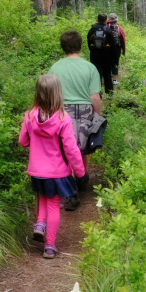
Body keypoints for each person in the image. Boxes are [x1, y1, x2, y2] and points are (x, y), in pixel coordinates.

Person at [19, 74, 88, 259]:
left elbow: (22, 141)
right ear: (58, 94)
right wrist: (81, 173)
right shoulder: (63, 119)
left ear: (37, 93)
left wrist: (35, 142)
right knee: (54, 204)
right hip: (57, 171)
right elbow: (71, 149)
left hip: (37, 170)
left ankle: (40, 224)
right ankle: (49, 246)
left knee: (43, 196)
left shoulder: (30, 116)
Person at [48, 30, 103, 211]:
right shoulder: (90, 68)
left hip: (62, 111)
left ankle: (69, 183)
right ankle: (82, 178)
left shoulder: (55, 68)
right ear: (81, 46)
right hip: (85, 110)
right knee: (82, 146)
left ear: (62, 47)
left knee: (65, 149)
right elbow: (94, 97)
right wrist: (97, 116)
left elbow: (50, 94)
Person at [87, 13, 115, 94]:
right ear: (106, 21)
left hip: (95, 56)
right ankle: (110, 94)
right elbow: (113, 46)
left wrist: (92, 51)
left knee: (96, 75)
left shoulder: (92, 30)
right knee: (107, 75)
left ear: (97, 19)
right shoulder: (108, 30)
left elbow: (89, 43)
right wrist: (114, 59)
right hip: (107, 56)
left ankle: (98, 94)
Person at [106, 13, 126, 86]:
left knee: (107, 62)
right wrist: (124, 50)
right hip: (117, 48)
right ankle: (114, 80)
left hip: (107, 48)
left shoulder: (105, 26)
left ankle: (107, 79)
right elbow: (123, 39)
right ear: (116, 19)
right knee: (115, 62)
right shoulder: (119, 28)